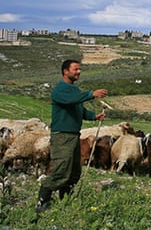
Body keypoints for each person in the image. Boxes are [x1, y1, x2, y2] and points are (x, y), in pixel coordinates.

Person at [36, 59, 108, 213]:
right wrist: (91, 94)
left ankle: (65, 201)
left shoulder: (74, 90)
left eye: (79, 69)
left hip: (73, 136)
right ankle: (42, 202)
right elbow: (72, 100)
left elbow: (79, 110)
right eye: (75, 69)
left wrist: (94, 116)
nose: (79, 72)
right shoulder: (60, 90)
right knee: (61, 170)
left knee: (74, 171)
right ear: (65, 71)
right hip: (62, 136)